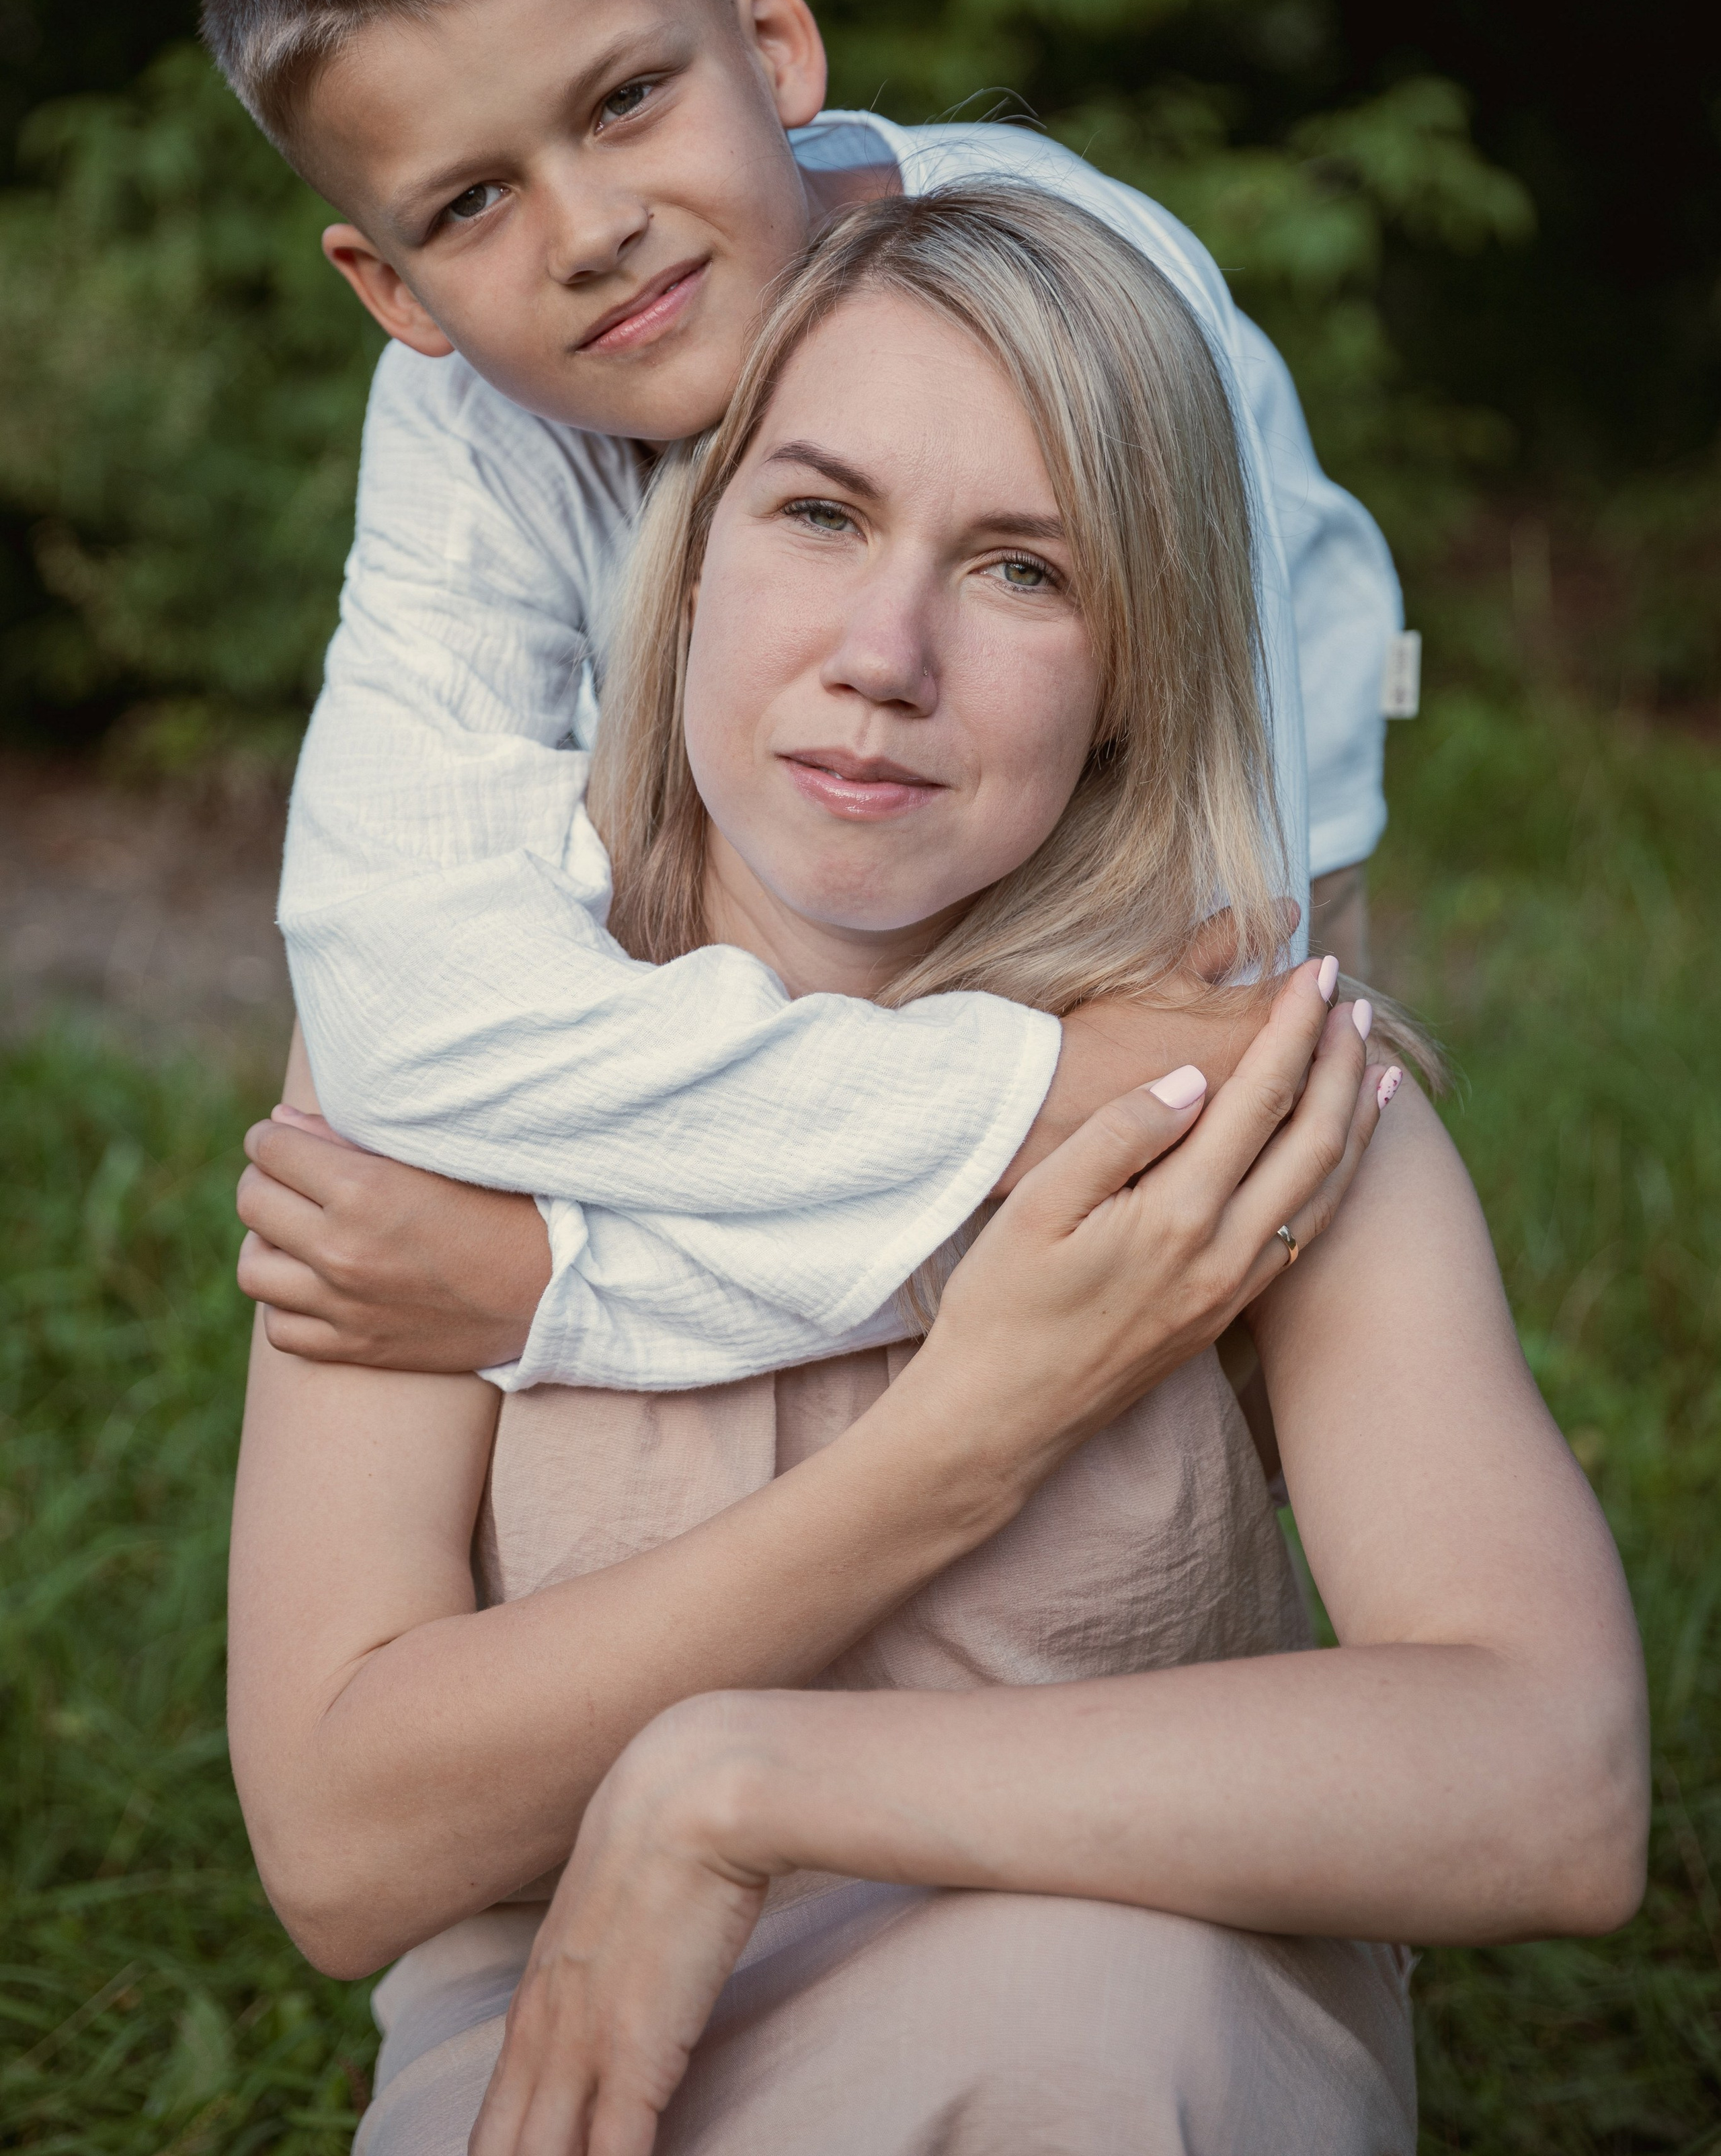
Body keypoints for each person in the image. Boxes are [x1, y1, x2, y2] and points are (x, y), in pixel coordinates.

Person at [227, 188, 1647, 2156]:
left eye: (1020, 570)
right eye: (819, 513)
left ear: (1134, 663)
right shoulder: (447, 1053)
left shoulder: (1245, 1085)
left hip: (1122, 2039)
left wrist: (741, 1788)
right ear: (688, 560)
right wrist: (956, 1446)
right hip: (585, 2052)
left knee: (1100, 2012)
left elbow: (1553, 1783)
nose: (883, 656)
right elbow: (339, 1843)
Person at [203, 0, 1406, 1394]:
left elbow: (1178, 1136)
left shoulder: (1082, 301)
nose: (590, 230)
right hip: (803, 832)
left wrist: (553, 1290)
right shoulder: (468, 421)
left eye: (626, 100)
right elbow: (409, 1019)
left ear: (770, 43)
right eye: (469, 202)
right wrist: (1027, 1097)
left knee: (1234, 1349)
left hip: (1172, 812)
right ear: (392, 288)